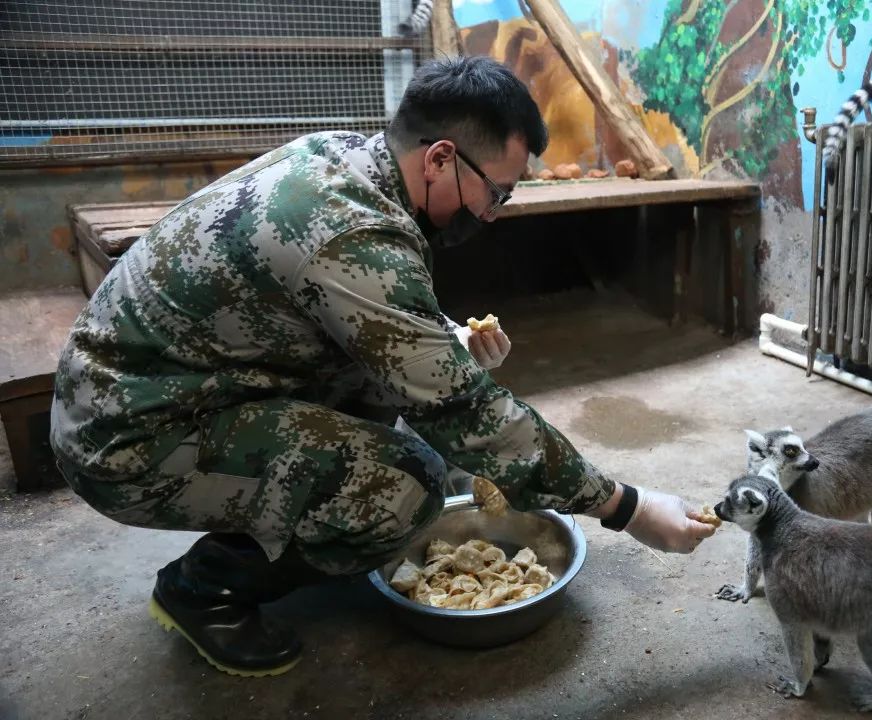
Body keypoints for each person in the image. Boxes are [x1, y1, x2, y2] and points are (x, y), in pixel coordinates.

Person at [50, 56, 717, 677]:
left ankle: (269, 511)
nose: (492, 213)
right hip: (124, 437)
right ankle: (206, 590)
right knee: (407, 489)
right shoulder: (353, 233)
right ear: (441, 158)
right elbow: (469, 413)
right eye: (498, 192)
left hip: (164, 386)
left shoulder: (350, 160)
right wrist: (627, 507)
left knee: (411, 410)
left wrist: (441, 337)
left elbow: (359, 318)